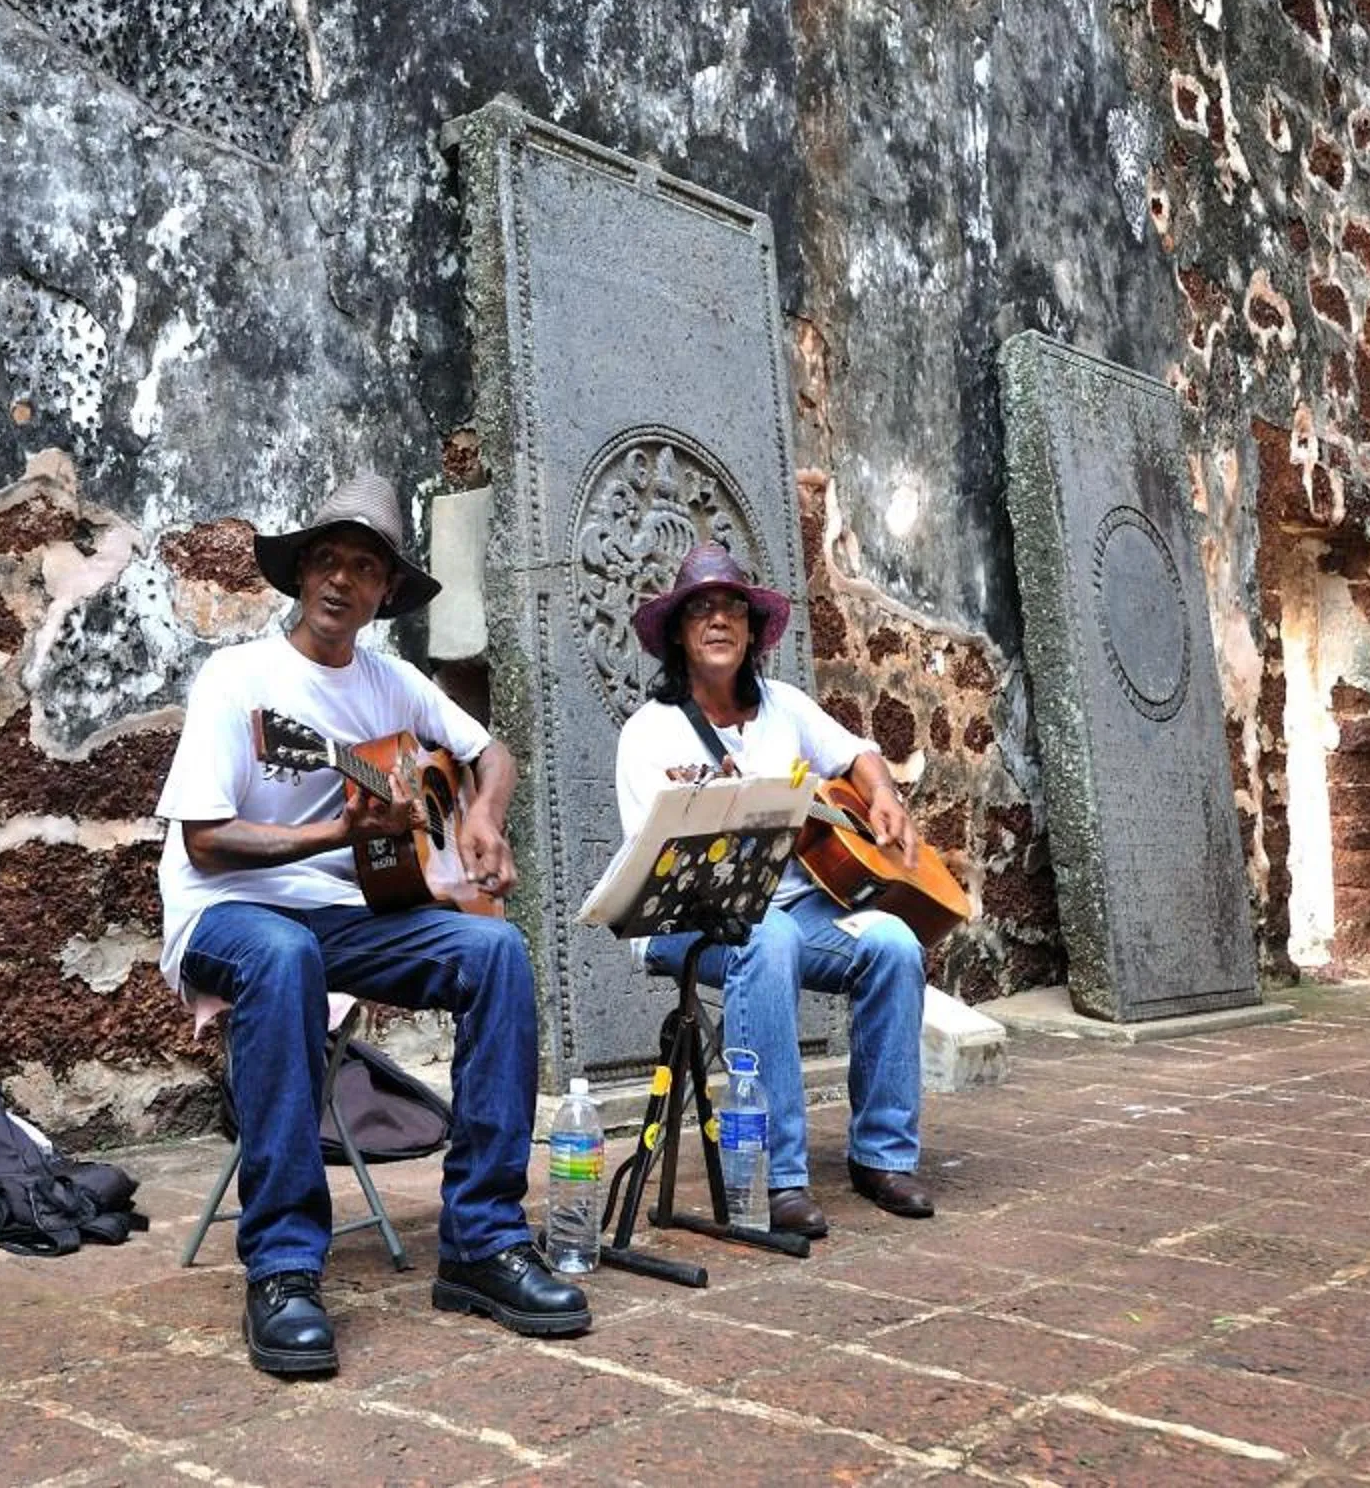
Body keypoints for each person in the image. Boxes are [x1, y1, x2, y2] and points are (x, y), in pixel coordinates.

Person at [155, 471, 590, 1378]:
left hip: (346, 919)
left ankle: (481, 1240)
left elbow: (490, 751)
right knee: (280, 955)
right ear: (301, 574)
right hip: (228, 914)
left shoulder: (393, 684)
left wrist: (481, 817)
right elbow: (204, 842)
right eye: (327, 560)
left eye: (364, 566)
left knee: (497, 950)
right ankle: (281, 1267)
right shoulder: (240, 682)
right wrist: (331, 830)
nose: (342, 581)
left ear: (387, 593)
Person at [613, 541, 934, 1233]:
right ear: (678, 633)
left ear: (753, 630)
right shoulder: (649, 734)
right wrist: (718, 813)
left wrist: (883, 797)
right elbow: (660, 867)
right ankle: (774, 1171)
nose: (719, 619)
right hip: (685, 920)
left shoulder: (785, 708)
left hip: (793, 909)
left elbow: (859, 755)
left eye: (732, 607)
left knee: (895, 944)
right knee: (770, 935)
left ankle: (881, 1154)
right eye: (700, 609)